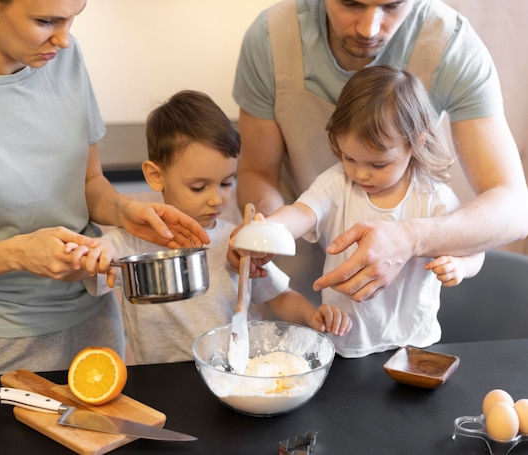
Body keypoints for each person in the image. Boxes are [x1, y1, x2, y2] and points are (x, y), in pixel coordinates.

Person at [0, 0, 209, 377]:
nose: (63, 39)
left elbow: (88, 182)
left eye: (73, 18)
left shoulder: (64, 59)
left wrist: (124, 211)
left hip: (94, 315)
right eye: (45, 21)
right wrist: (18, 254)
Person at [232, 0, 528, 303]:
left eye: (392, 5)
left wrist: (410, 239)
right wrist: (266, 234)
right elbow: (258, 172)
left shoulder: (452, 45)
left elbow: (514, 209)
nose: (368, 29)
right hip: (297, 262)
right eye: (350, 3)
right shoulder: (271, 38)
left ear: (417, 143)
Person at [69, 90, 352, 365]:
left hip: (234, 376)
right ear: (156, 176)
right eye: (199, 187)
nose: (216, 199)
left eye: (227, 183)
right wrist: (94, 252)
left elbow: (279, 297)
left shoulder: (237, 242)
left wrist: (312, 316)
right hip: (163, 381)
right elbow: (88, 264)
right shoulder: (128, 244)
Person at [248, 65, 484, 357]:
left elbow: (474, 249)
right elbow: (300, 213)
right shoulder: (336, 184)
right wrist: (267, 230)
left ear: (415, 144)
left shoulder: (434, 196)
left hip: (413, 339)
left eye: (378, 164)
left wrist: (460, 266)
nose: (361, 174)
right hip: (346, 338)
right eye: (349, 158)